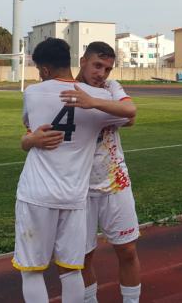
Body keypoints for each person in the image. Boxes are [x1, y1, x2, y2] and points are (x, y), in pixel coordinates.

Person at [14, 38, 131, 303]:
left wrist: (29, 140)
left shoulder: (33, 93)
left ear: (44, 69)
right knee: (71, 270)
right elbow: (129, 114)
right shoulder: (99, 98)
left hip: (36, 193)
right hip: (75, 197)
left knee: (32, 271)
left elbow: (29, 130)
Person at [57, 41, 142, 303]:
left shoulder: (110, 89)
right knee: (82, 257)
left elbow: (130, 113)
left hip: (115, 181)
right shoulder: (63, 89)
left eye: (107, 68)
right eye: (97, 65)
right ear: (82, 61)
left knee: (127, 250)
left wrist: (91, 102)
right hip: (78, 187)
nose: (102, 74)